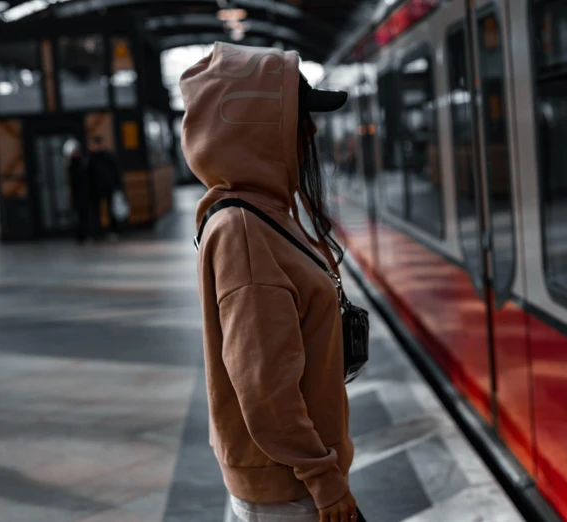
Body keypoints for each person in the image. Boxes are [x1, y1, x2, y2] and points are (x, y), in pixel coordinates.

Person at [180, 43, 358, 522]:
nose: (313, 130)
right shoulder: (245, 230)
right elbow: (265, 387)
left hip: (290, 484)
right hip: (290, 495)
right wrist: (324, 480)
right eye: (301, 118)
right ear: (263, 131)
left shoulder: (265, 212)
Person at [85, 135, 124, 241]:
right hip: (95, 189)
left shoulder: (109, 156)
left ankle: (114, 231)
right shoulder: (91, 158)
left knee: (112, 210)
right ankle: (97, 233)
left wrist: (118, 187)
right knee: (96, 212)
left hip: (109, 187)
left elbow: (116, 172)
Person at [66, 140, 92, 243]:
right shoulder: (72, 165)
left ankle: (85, 234)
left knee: (85, 215)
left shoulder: (82, 163)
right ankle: (80, 235)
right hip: (78, 195)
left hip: (84, 194)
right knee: (79, 216)